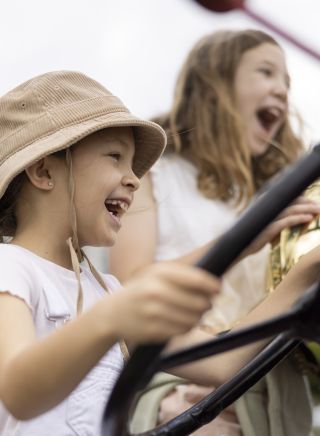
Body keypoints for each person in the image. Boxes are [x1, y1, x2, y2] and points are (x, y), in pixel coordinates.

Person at [0, 71, 318, 436]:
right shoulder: (11, 268)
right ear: (43, 171)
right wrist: (112, 317)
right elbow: (16, 390)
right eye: (115, 157)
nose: (135, 178)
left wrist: (303, 274)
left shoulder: (107, 291)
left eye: (133, 165)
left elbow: (219, 360)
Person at [109, 29, 320, 435]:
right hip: (183, 378)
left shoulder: (281, 191)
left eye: (288, 83)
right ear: (214, 84)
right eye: (266, 72)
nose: (281, 90)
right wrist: (240, 243)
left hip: (272, 382)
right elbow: (126, 285)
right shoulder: (155, 175)